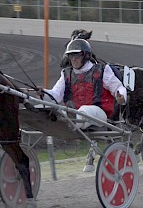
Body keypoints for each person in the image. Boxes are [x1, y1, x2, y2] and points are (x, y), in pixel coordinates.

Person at [37, 39, 127, 171]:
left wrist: (121, 96)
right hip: (76, 114)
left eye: (77, 55)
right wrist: (42, 93)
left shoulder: (102, 70)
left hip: (99, 113)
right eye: (71, 56)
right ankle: (64, 119)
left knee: (82, 111)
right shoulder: (66, 74)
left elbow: (118, 87)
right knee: (53, 108)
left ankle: (67, 120)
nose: (73, 59)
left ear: (86, 56)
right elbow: (55, 95)